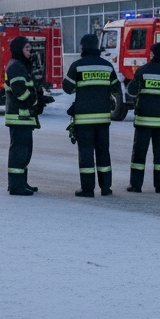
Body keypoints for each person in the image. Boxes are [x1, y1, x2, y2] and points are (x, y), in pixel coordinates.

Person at [62, 33, 121, 197]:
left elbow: (67, 88)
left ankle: (87, 189)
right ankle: (106, 188)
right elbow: (115, 88)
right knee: (103, 151)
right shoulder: (107, 66)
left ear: (83, 47)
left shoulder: (77, 66)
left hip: (84, 118)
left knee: (86, 152)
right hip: (103, 118)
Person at [127, 42, 160, 193]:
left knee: (139, 154)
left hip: (143, 120)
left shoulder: (143, 70)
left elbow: (131, 91)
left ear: (154, 54)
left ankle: (136, 185)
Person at [4, 36, 43, 196]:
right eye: (27, 48)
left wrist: (40, 98)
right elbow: (19, 91)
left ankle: (21, 182)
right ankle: (15, 186)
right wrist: (35, 102)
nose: (30, 51)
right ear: (19, 49)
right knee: (19, 152)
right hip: (19, 117)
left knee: (25, 152)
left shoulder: (21, 66)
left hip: (25, 117)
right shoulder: (15, 66)